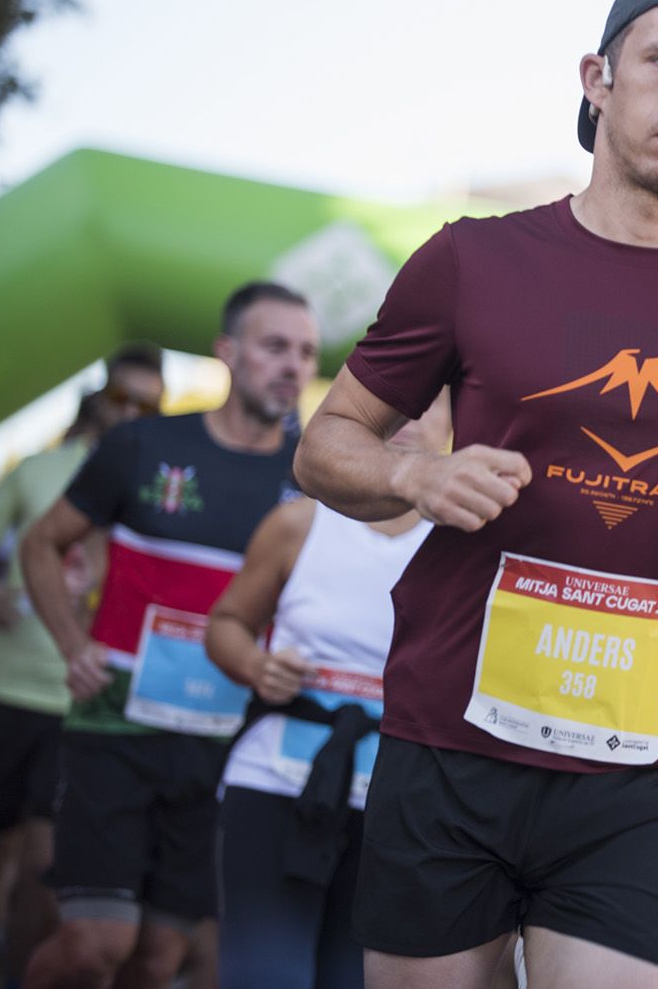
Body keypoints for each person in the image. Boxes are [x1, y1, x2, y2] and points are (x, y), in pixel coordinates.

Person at [293, 0, 658, 989]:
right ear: (598, 76)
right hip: (453, 740)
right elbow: (325, 447)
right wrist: (417, 480)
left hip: (646, 755)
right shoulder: (471, 262)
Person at [18, 283, 318, 989]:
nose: (293, 366)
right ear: (227, 352)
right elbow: (40, 544)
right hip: (116, 726)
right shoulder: (143, 443)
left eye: (306, 353)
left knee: (158, 959)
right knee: (95, 944)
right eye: (275, 346)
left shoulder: (312, 478)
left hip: (229, 739)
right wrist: (71, 646)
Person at [204, 393, 450, 989]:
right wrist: (256, 667)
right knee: (267, 976)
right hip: (276, 783)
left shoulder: (468, 543)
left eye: (428, 407)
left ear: (457, 422)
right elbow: (225, 625)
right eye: (394, 405)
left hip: (402, 803)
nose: (407, 421)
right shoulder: (298, 521)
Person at [0, 346, 165, 989]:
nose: (130, 415)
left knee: (46, 869)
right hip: (7, 691)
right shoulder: (41, 470)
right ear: (98, 399)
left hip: (85, 705)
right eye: (121, 399)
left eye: (147, 407)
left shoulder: (158, 486)